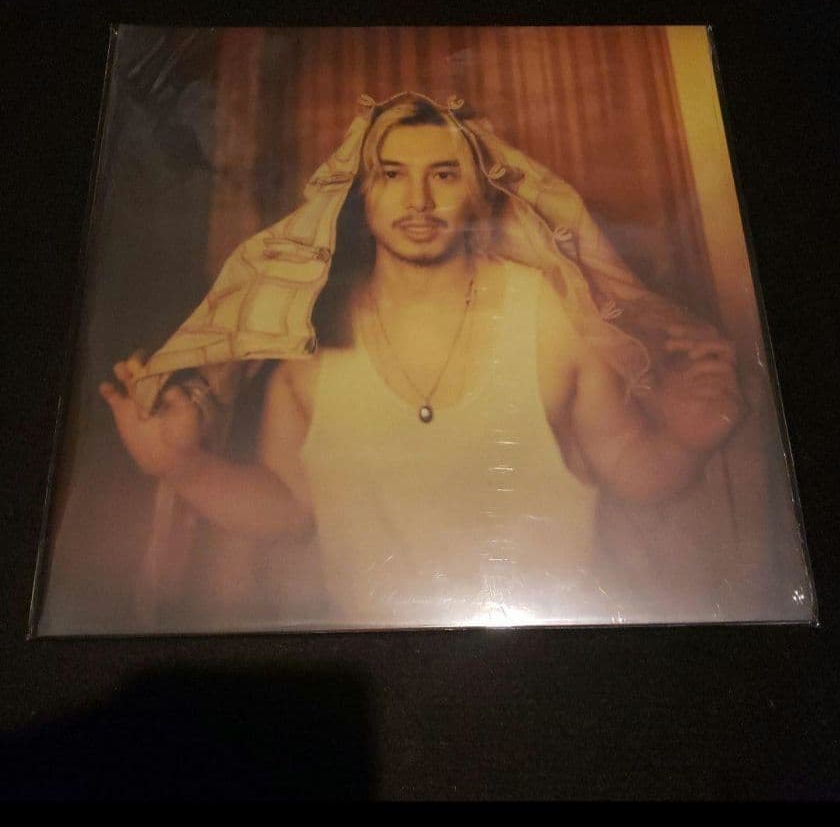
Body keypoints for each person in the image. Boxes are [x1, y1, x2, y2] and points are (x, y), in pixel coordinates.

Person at [100, 93, 743, 627]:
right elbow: (289, 505)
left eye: (444, 173)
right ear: (361, 195)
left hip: (548, 658)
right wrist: (182, 467)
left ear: (481, 193)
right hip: (383, 675)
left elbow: (630, 465)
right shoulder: (309, 341)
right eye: (391, 174)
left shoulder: (549, 313)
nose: (418, 201)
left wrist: (687, 439)